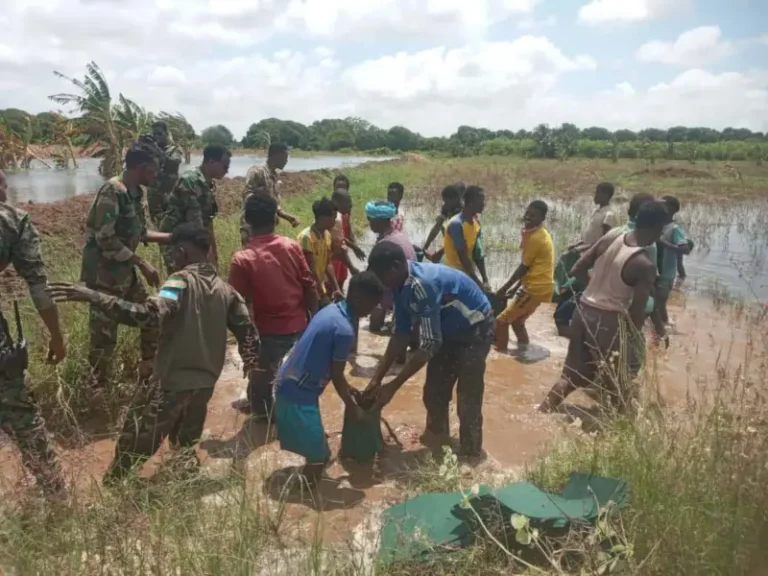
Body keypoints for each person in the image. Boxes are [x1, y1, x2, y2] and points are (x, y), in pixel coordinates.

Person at [49, 225, 260, 483]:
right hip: (205, 384)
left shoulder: (178, 281)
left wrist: (93, 296)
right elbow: (247, 331)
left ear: (181, 252)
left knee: (135, 438)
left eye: (173, 253)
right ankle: (181, 482)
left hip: (172, 383)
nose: (171, 258)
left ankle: (116, 487)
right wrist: (250, 363)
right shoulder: (227, 291)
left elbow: (148, 315)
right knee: (185, 441)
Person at [366, 242, 494, 460]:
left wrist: (394, 386)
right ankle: (438, 440)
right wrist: (377, 379)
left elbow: (429, 344)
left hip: (475, 328)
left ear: (395, 267)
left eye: (381, 276)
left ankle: (470, 455)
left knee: (467, 397)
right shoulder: (399, 284)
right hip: (447, 330)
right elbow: (401, 334)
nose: (381, 283)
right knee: (434, 392)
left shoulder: (422, 284)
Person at [539, 201, 668, 414]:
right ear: (657, 228)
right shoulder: (645, 264)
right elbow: (637, 311)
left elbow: (577, 268)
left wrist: (594, 288)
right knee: (620, 381)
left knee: (570, 376)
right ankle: (623, 430)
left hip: (583, 310)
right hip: (610, 320)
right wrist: (634, 339)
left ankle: (543, 411)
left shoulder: (613, 237)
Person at [274, 272, 383, 488]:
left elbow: (332, 369)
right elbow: (335, 374)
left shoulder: (331, 311)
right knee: (319, 458)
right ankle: (303, 495)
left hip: (287, 381)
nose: (372, 312)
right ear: (361, 300)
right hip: (297, 395)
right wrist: (353, 408)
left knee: (317, 448)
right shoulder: (344, 330)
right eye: (372, 306)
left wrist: (349, 388)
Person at [81, 140, 171, 388]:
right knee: (104, 338)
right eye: (153, 170)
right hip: (103, 275)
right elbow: (105, 239)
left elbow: (140, 233)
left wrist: (175, 237)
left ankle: (147, 370)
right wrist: (141, 263)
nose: (155, 176)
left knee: (153, 317)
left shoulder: (136, 193)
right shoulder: (113, 191)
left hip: (124, 272)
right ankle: (98, 391)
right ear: (141, 167)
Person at [0, 170, 67, 495]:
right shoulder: (11, 221)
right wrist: (56, 335)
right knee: (19, 411)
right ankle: (56, 493)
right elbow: (38, 286)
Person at [229, 194, 318, 418]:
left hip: (267, 331)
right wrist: (313, 321)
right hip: (299, 325)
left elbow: (237, 305)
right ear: (276, 220)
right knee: (288, 375)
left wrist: (244, 340)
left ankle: (263, 417)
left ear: (247, 221)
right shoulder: (291, 246)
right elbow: (309, 286)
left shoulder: (242, 259)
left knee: (262, 381)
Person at [159, 145, 230, 273]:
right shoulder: (190, 180)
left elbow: (207, 221)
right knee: (180, 281)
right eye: (225, 166)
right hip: (176, 241)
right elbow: (195, 222)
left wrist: (213, 253)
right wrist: (207, 257)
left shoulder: (208, 183)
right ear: (212, 162)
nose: (227, 171)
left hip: (193, 238)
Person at [495, 200, 555, 352]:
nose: (528, 217)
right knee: (517, 321)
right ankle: (524, 350)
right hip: (540, 286)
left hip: (534, 288)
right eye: (527, 213)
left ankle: (501, 356)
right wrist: (516, 287)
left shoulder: (536, 238)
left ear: (542, 218)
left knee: (501, 321)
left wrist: (503, 289)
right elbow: (531, 267)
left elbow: (523, 268)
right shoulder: (539, 233)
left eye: (533, 215)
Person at [365, 201, 417, 333]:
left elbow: (373, 278)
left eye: (370, 219)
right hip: (408, 285)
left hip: (394, 286)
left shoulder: (385, 244)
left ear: (379, 221)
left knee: (373, 326)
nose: (369, 223)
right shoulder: (399, 236)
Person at [240, 143, 299, 243]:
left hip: (267, 228)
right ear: (276, 156)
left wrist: (289, 218)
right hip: (253, 227)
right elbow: (247, 195)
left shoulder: (274, 176)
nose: (286, 161)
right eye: (285, 157)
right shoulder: (257, 171)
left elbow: (274, 204)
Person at [442, 185, 490, 290]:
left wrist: (485, 280)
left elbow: (478, 254)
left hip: (467, 274)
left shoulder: (476, 223)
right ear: (471, 203)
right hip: (453, 276)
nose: (483, 204)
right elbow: (462, 256)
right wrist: (478, 283)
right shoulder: (456, 224)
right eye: (481, 201)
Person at [656, 195, 693, 327]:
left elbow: (686, 249)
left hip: (665, 273)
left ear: (671, 209)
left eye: (662, 204)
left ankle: (664, 326)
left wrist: (664, 244)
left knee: (660, 303)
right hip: (653, 271)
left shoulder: (674, 229)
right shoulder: (657, 225)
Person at [298, 198, 341, 306]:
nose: (335, 221)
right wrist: (322, 295)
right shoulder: (305, 238)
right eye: (333, 217)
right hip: (308, 291)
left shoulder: (326, 235)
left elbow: (328, 263)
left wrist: (336, 288)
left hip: (319, 288)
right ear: (323, 218)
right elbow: (310, 270)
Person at [146, 121, 184, 227]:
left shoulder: (175, 148)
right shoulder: (150, 148)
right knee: (157, 223)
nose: (157, 137)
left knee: (171, 224)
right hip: (153, 194)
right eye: (154, 134)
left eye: (159, 134)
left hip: (169, 193)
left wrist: (157, 151)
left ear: (166, 134)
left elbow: (174, 163)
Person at [329, 187, 366, 290]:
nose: (351, 204)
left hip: (337, 258)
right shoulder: (336, 219)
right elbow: (339, 245)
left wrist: (355, 247)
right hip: (332, 260)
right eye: (348, 201)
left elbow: (343, 237)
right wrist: (352, 268)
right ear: (337, 203)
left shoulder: (341, 216)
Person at [422, 183, 465, 257]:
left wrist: (438, 255)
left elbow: (456, 241)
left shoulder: (462, 212)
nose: (444, 204)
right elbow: (437, 227)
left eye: (446, 201)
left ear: (456, 199)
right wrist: (425, 247)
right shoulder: (447, 207)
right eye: (444, 201)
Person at [578, 183, 619, 249]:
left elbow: (605, 240)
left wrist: (586, 247)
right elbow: (592, 233)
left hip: (594, 252)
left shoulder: (608, 215)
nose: (595, 196)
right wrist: (579, 244)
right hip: (587, 248)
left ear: (606, 195)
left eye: (598, 193)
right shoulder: (597, 211)